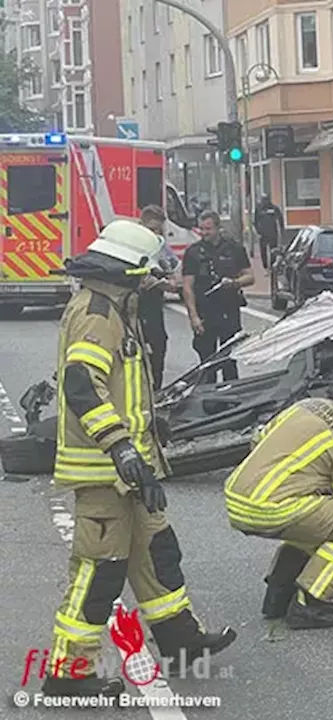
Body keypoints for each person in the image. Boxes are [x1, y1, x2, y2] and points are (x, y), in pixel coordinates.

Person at [44, 220, 235, 698]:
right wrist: (121, 445)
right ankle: (68, 673)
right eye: (147, 273)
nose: (153, 282)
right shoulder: (98, 312)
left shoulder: (117, 307)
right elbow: (82, 385)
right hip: (105, 470)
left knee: (157, 552)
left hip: (132, 467)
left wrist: (150, 429)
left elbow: (120, 387)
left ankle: (179, 640)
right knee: (100, 569)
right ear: (129, 270)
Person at [223, 366, 333, 629]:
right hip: (272, 506)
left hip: (237, 496)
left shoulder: (308, 405)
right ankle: (313, 602)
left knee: (317, 517)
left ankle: (279, 595)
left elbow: (258, 439)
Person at [182, 211, 253, 383]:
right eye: (202, 229)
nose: (205, 233)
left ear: (218, 228)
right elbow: (187, 287)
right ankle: (207, 401)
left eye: (208, 229)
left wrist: (235, 283)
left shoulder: (234, 249)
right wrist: (193, 316)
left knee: (229, 358)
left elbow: (250, 277)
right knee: (207, 362)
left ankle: (231, 398)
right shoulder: (193, 253)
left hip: (228, 310)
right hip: (205, 311)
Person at [138, 205, 179, 390]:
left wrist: (173, 278)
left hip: (154, 306)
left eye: (159, 230)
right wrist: (163, 283)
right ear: (142, 225)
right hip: (135, 308)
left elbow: (173, 265)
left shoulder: (160, 244)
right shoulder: (134, 245)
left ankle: (156, 393)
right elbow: (141, 279)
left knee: (159, 346)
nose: (156, 234)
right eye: (152, 229)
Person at [253, 195, 285, 270]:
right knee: (263, 251)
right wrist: (258, 232)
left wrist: (281, 230)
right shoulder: (259, 209)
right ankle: (265, 266)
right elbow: (255, 221)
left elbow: (280, 219)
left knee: (273, 250)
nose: (265, 202)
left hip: (273, 233)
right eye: (263, 200)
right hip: (262, 234)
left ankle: (272, 266)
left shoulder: (274, 208)